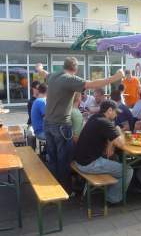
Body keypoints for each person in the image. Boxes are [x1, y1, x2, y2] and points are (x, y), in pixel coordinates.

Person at [36, 56, 124, 193]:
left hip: (47, 124)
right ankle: (65, 191)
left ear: (63, 66)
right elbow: (93, 84)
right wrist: (116, 76)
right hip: (60, 126)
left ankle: (53, 188)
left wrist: (39, 68)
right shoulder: (69, 79)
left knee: (52, 159)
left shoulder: (53, 76)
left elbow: (44, 73)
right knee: (64, 160)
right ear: (75, 69)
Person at [74, 100, 133, 204]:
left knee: (115, 158)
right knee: (128, 170)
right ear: (110, 110)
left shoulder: (95, 118)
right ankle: (112, 199)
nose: (116, 115)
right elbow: (121, 143)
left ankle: (111, 190)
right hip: (89, 164)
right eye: (116, 112)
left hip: (80, 160)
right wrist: (118, 129)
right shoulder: (104, 122)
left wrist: (111, 143)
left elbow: (107, 136)